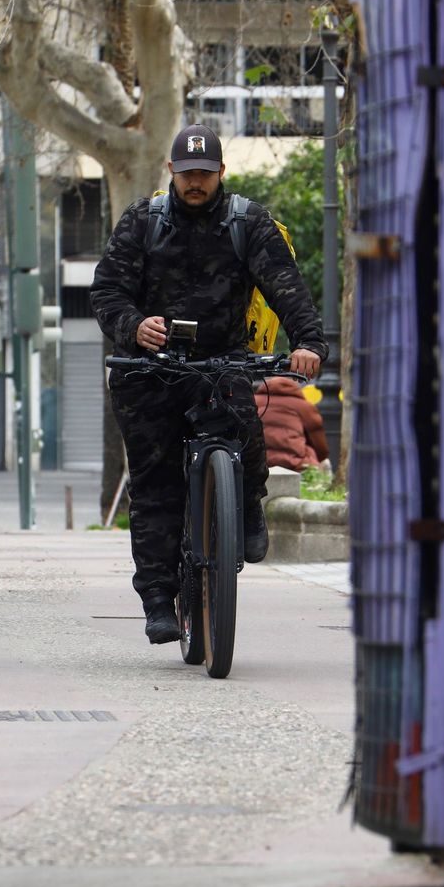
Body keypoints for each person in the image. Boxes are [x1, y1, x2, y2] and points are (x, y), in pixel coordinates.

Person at [91, 123, 327, 644]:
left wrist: (309, 343)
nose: (194, 182)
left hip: (221, 362)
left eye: (204, 173)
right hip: (149, 370)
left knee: (246, 435)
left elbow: (287, 288)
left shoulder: (249, 223)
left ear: (221, 172)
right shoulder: (142, 221)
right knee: (155, 486)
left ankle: (244, 510)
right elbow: (107, 292)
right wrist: (135, 326)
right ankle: (158, 600)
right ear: (171, 174)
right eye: (185, 174)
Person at [254, 376, 330, 471]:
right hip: (296, 463)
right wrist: (321, 457)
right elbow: (318, 441)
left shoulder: (254, 402)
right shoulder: (303, 406)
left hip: (259, 460)